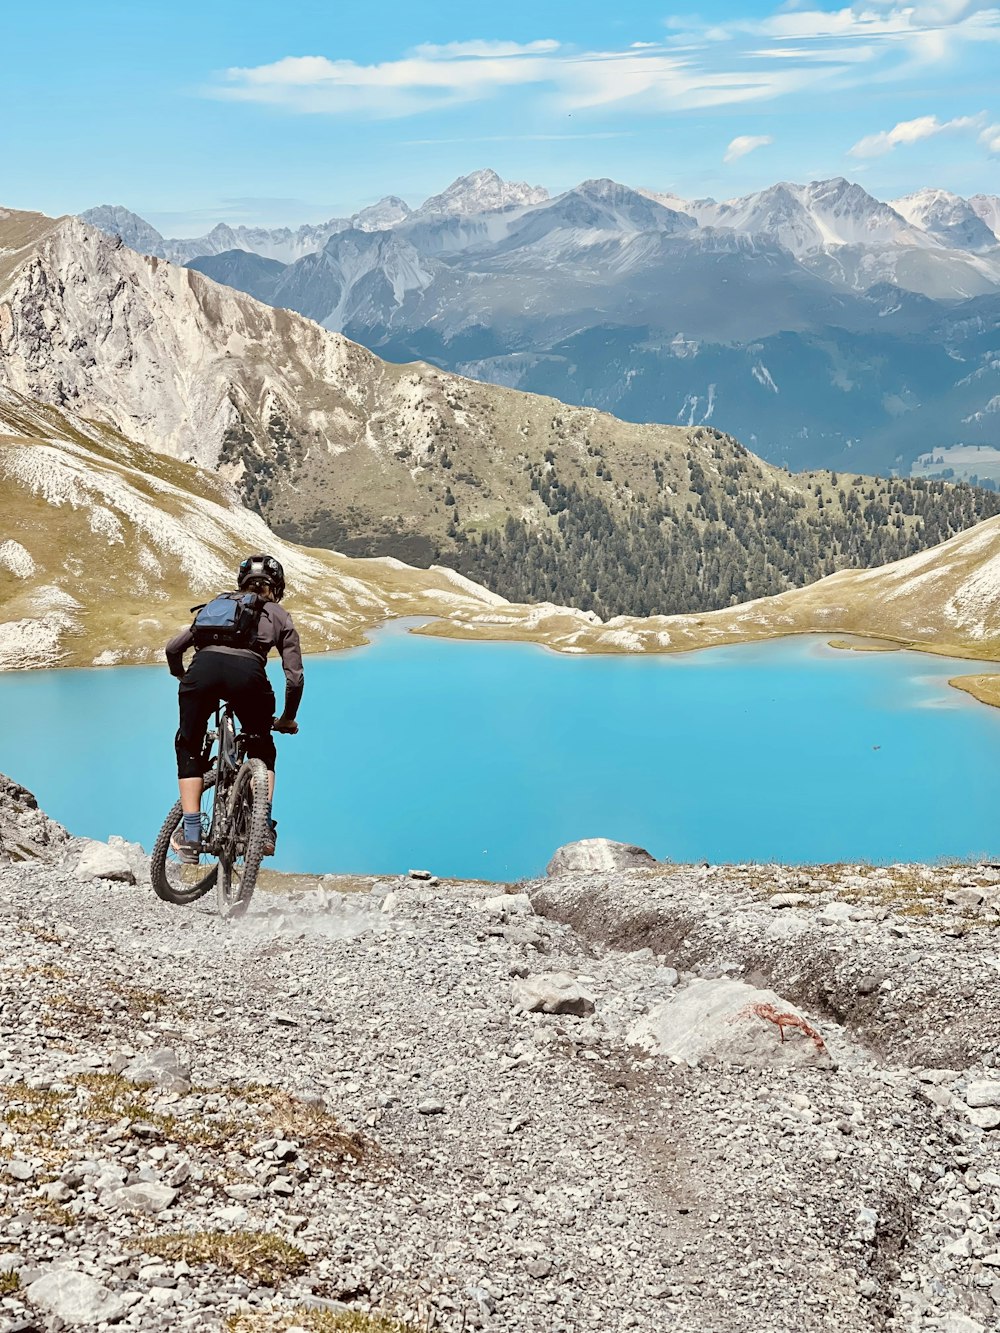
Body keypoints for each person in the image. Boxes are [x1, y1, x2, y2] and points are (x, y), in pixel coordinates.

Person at [165, 553, 303, 864]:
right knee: (261, 748)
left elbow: (174, 648)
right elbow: (294, 677)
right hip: (249, 680)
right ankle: (263, 830)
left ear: (241, 583)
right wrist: (287, 719)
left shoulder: (219, 605)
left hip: (201, 674)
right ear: (277, 587)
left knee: (189, 745)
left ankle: (190, 835)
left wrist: (183, 676)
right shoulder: (279, 615)